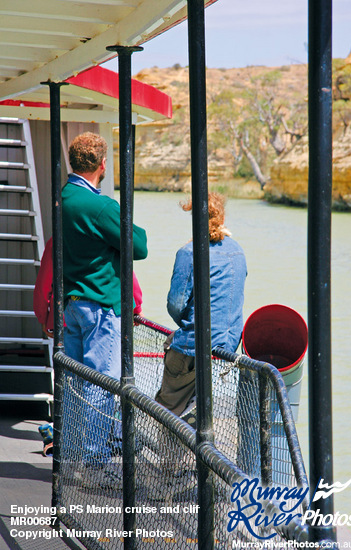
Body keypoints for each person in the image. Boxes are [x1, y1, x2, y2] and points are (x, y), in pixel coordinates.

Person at [61, 132, 147, 480]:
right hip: (99, 308)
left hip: (73, 304)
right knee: (100, 386)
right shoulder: (101, 206)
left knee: (73, 384)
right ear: (101, 165)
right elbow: (138, 244)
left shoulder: (65, 197)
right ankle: (96, 465)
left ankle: (68, 461)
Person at [155, 192, 247, 424]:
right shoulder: (238, 251)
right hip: (224, 350)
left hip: (192, 347)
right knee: (198, 415)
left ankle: (169, 459)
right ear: (222, 216)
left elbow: (175, 305)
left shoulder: (189, 252)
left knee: (167, 412)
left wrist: (187, 324)